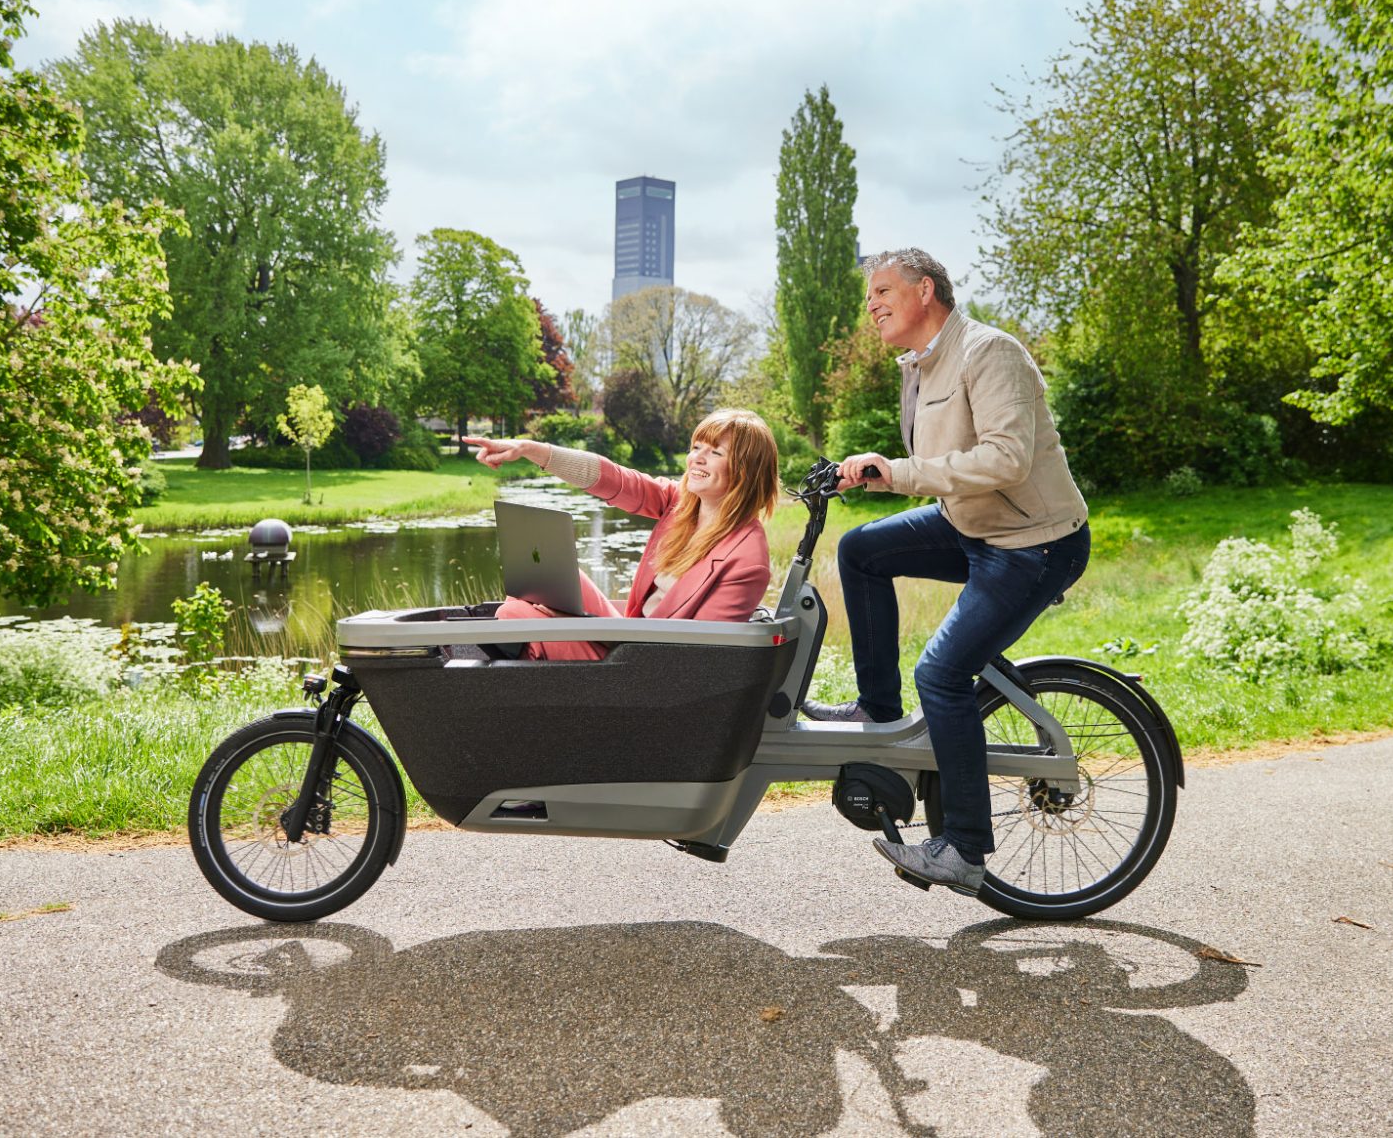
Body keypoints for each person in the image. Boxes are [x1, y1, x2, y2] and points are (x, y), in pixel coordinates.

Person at [803, 249, 1091, 898]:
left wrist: (898, 473)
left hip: (1032, 543)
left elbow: (1006, 461)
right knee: (860, 551)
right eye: (868, 294)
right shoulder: (920, 366)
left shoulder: (990, 353)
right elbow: (944, 462)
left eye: (883, 290)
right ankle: (878, 712)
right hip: (971, 526)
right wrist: (874, 475)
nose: (871, 303)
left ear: (925, 289)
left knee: (942, 671)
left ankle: (964, 849)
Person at [461, 409, 779, 660]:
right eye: (696, 447)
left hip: (644, 668)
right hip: (624, 638)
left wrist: (581, 628)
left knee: (518, 618)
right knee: (528, 593)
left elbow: (700, 658)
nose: (697, 457)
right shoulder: (679, 504)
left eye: (715, 452)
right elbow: (615, 480)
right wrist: (531, 450)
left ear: (745, 470)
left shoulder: (746, 560)